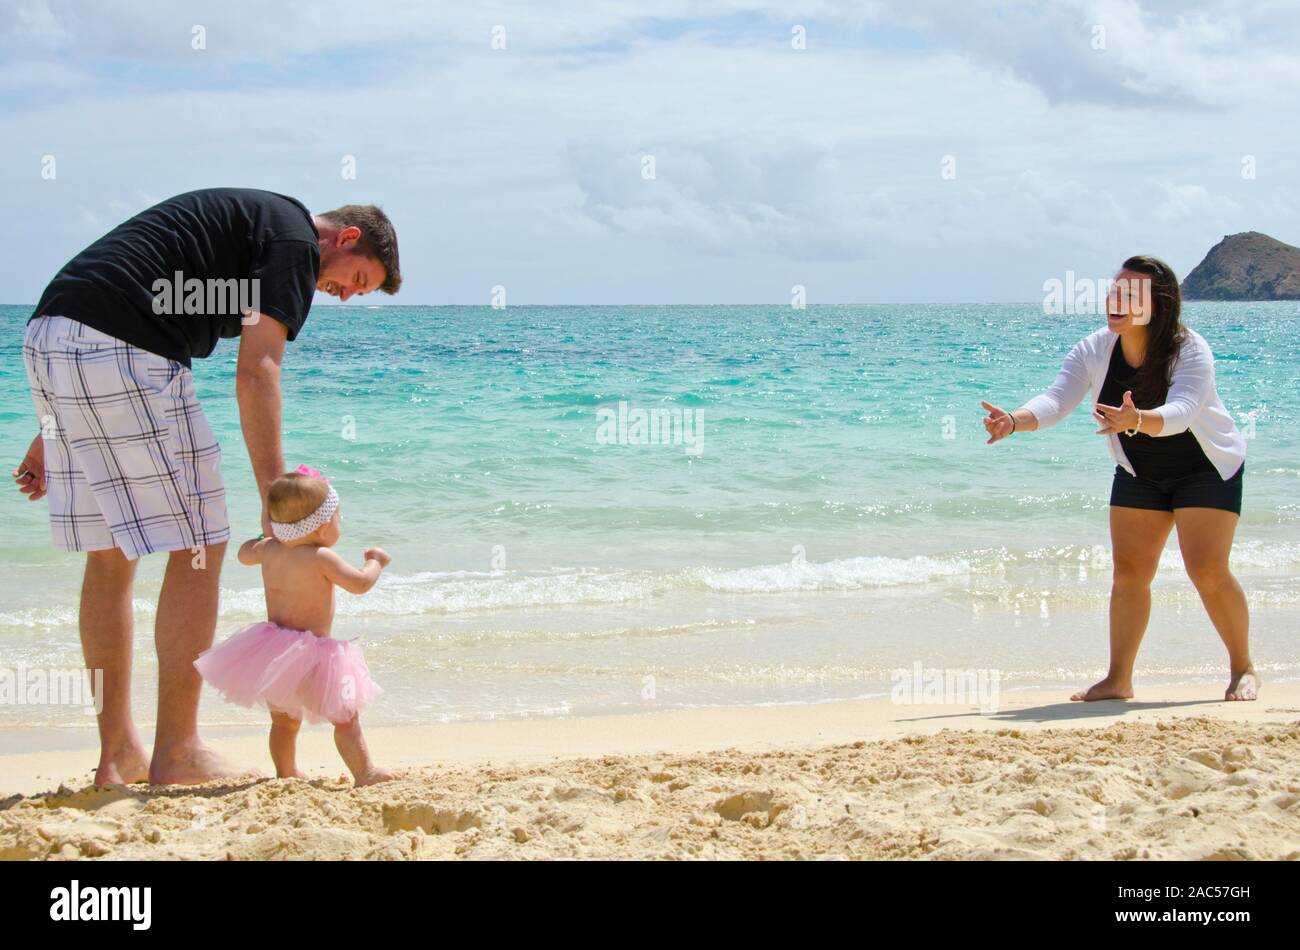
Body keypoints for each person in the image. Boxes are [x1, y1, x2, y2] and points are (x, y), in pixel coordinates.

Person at [13, 188, 401, 785]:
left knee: (111, 554)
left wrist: (50, 429)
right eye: (357, 279)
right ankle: (179, 750)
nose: (346, 295)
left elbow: (97, 299)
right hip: (125, 348)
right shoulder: (294, 242)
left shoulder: (258, 221)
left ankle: (118, 754)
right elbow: (258, 369)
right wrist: (279, 495)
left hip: (52, 339)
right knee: (199, 544)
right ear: (345, 238)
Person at [980, 255, 1256, 703]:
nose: (1116, 299)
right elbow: (1057, 400)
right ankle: (1118, 679)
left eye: (1131, 293)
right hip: (1140, 472)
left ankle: (1243, 668)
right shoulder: (1094, 348)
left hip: (1205, 468)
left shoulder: (1190, 349)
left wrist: (1136, 418)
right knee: (1129, 573)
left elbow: (1182, 414)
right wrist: (1013, 421)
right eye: (1114, 289)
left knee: (1206, 570)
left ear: (1158, 305)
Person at [194, 467, 394, 786]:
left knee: (284, 723)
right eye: (338, 519)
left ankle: (286, 772)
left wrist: (267, 535)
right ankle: (364, 772)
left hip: (275, 652)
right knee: (345, 719)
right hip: (314, 653)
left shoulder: (269, 549)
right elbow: (359, 585)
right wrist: (376, 562)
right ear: (323, 525)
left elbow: (243, 554)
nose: (338, 525)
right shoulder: (321, 557)